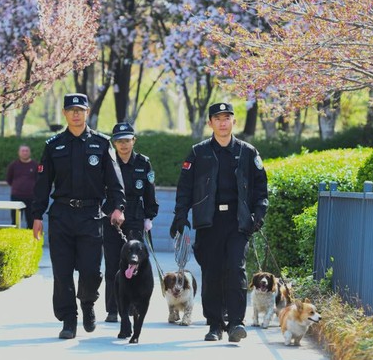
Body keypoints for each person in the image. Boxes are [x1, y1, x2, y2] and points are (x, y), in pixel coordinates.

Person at [170, 102, 268, 343]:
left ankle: (236, 323)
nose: (223, 122)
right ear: (210, 123)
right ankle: (214, 324)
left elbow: (261, 190)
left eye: (227, 117)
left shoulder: (248, 152)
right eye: (218, 118)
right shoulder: (198, 152)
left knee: (235, 270)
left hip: (237, 222)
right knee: (212, 273)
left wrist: (258, 214)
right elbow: (184, 188)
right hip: (208, 222)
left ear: (234, 121)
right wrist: (180, 215)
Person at [31, 93, 126, 340]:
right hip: (61, 214)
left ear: (87, 112)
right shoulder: (53, 145)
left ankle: (87, 303)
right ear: (64, 113)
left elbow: (114, 181)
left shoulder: (102, 144)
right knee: (62, 272)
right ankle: (69, 319)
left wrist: (118, 208)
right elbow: (42, 184)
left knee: (91, 271)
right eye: (71, 109)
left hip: (91, 215)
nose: (76, 114)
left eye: (80, 110)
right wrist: (37, 215)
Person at [102, 122, 159, 323]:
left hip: (135, 219)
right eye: (119, 141)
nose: (123, 145)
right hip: (111, 219)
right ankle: (112, 309)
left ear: (134, 140)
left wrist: (149, 216)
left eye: (127, 140)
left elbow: (149, 191)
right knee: (112, 265)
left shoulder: (144, 163)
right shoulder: (108, 162)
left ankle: (133, 305)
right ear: (114, 143)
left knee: (134, 266)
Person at [6, 144, 38, 229]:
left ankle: (31, 241)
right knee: (15, 221)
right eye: (22, 151)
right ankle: (15, 240)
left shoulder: (35, 165)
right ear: (19, 153)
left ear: (30, 152)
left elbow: (39, 180)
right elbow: (9, 179)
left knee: (31, 221)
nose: (25, 153)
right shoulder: (13, 165)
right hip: (16, 197)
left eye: (26, 151)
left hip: (31, 197)